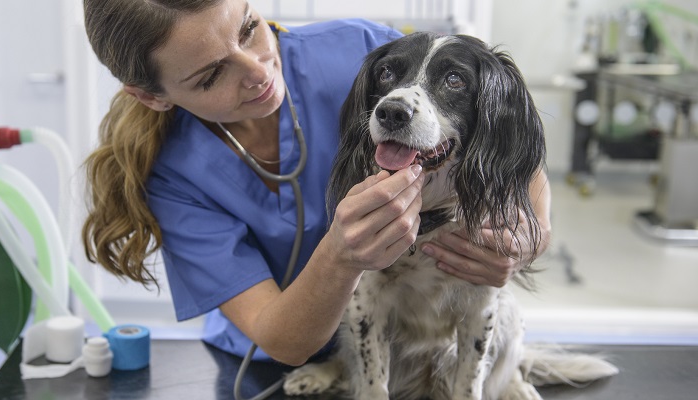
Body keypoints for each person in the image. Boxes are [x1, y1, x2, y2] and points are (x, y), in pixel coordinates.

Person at [81, 0, 552, 367]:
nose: (259, 70)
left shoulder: (358, 50)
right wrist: (340, 256)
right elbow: (281, 338)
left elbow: (503, 136)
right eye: (212, 75)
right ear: (152, 97)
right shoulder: (172, 175)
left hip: (402, 344)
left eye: (249, 28)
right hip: (272, 364)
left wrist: (528, 237)